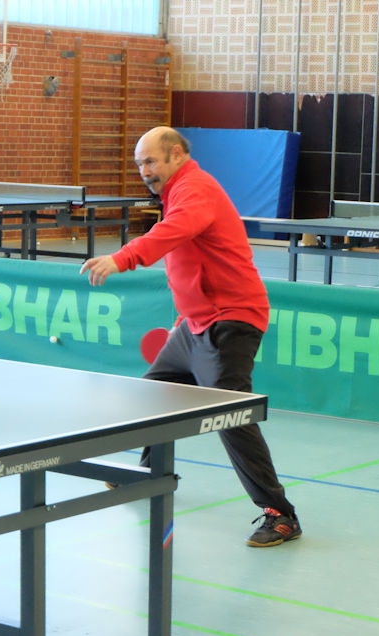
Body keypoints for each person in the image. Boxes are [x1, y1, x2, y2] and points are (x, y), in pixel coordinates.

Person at [80, 126, 301, 547]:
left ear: (178, 155)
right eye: (140, 164)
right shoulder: (176, 192)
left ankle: (281, 514)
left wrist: (123, 257)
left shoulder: (195, 189)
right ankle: (148, 474)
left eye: (151, 161)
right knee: (154, 396)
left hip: (230, 320)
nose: (145, 171)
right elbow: (193, 262)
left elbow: (173, 233)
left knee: (231, 416)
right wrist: (184, 317)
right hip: (195, 323)